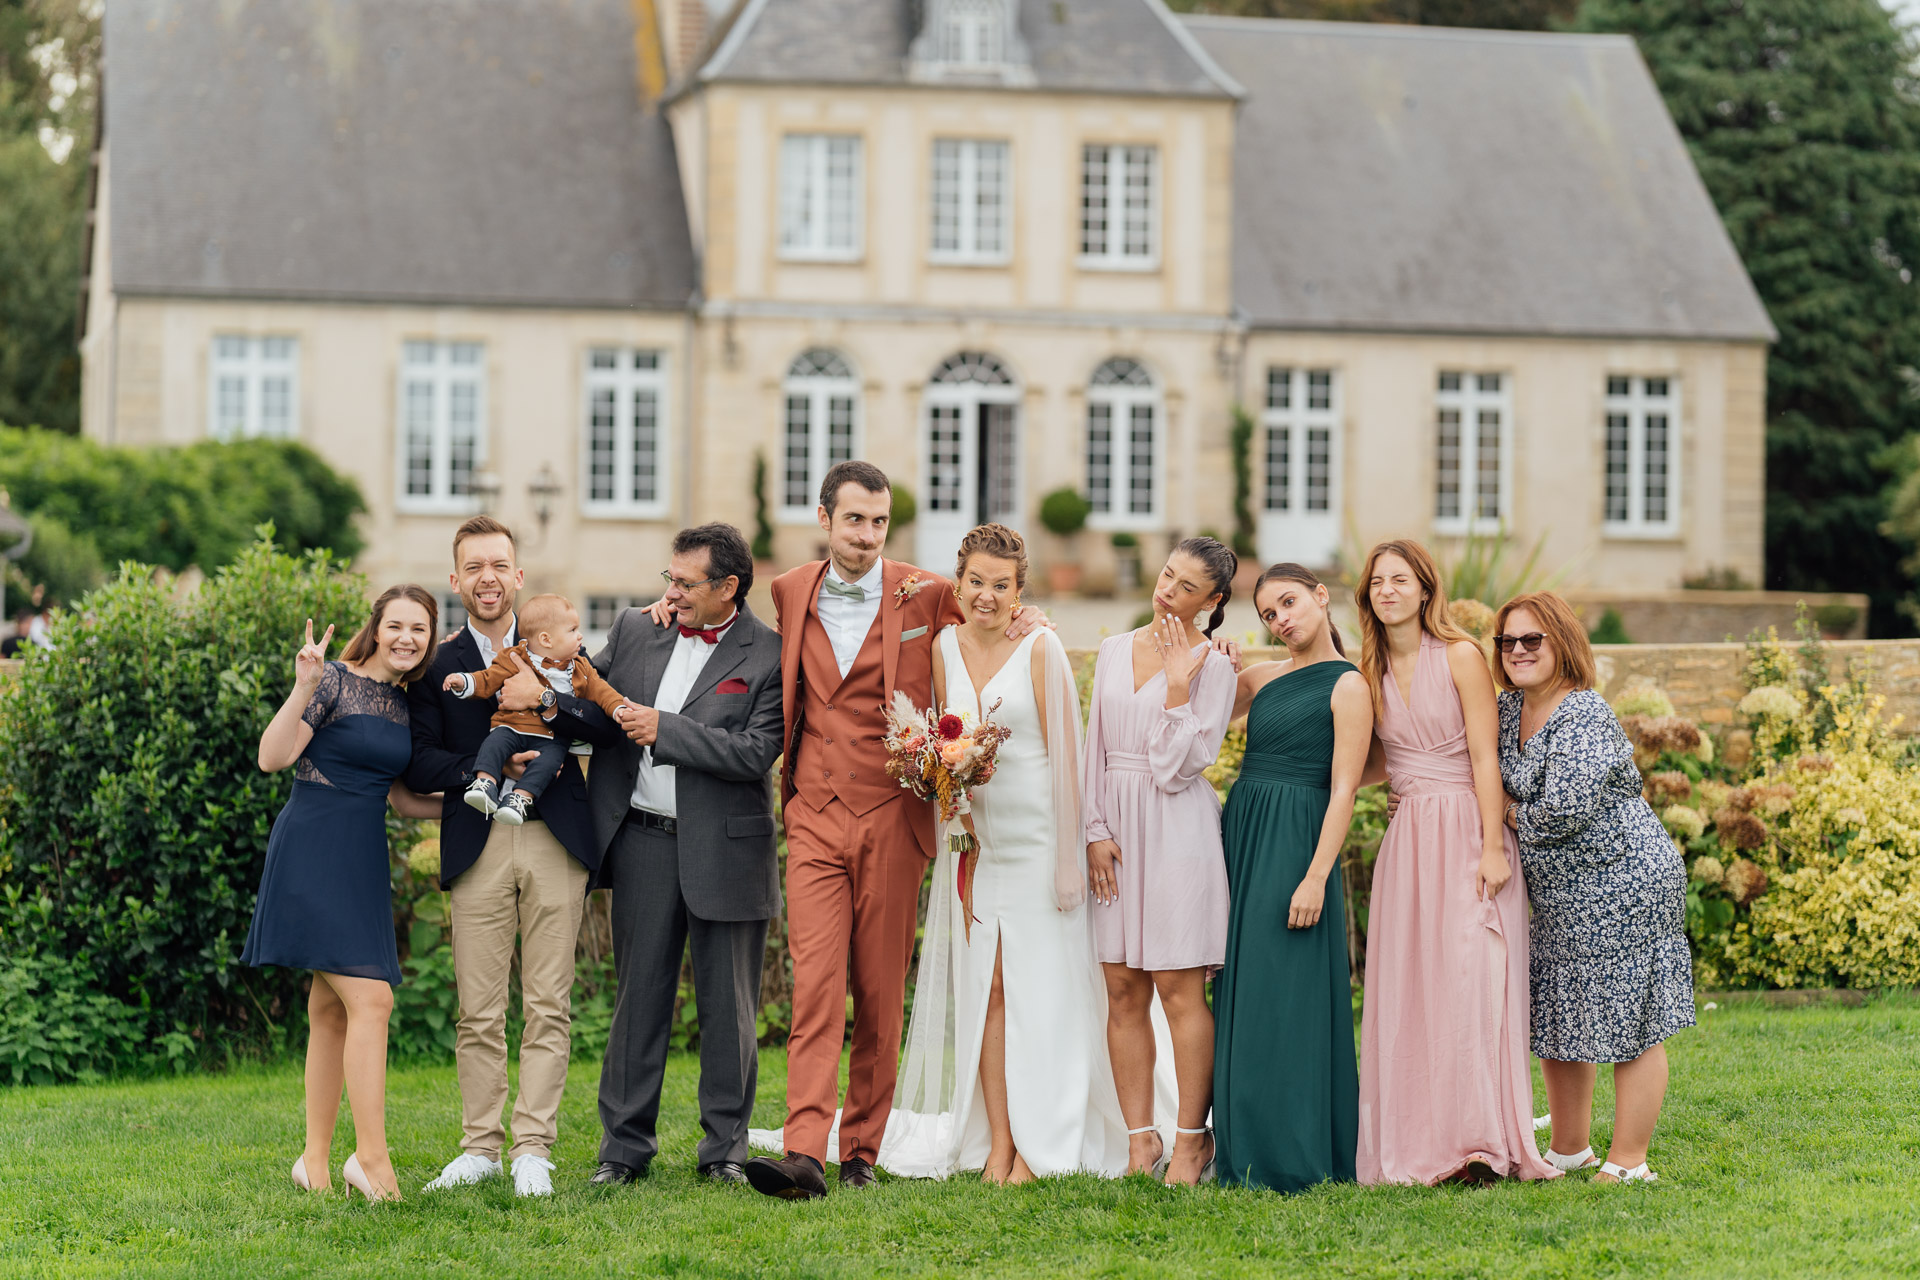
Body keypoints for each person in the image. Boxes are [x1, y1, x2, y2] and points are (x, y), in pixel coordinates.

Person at [734, 461, 1047, 1200]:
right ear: (824, 519)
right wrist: (663, 608)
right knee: (814, 986)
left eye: (878, 522)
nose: (868, 536)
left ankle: (861, 1150)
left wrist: (1029, 619)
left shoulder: (926, 592)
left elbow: (984, 621)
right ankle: (804, 1151)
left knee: (878, 989)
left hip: (894, 814)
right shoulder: (789, 590)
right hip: (812, 811)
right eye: (854, 521)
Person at [881, 524, 1128, 1181]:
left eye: (1001, 586)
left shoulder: (1041, 647)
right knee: (986, 991)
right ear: (956, 583)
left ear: (1020, 593)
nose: (986, 596)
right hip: (976, 847)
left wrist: (1069, 858)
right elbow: (938, 744)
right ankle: (999, 1143)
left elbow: (1066, 758)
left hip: (1040, 843)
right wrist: (945, 796)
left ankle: (1042, 1141)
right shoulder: (941, 647)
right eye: (975, 583)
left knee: (1039, 994)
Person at [406, 516, 618, 1199]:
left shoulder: (560, 644)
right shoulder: (437, 664)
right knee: (478, 1008)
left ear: (518, 575)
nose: (488, 577)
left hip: (556, 836)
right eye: (474, 567)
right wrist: (490, 765)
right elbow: (419, 759)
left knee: (550, 1003)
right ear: (456, 580)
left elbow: (607, 727)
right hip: (478, 837)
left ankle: (534, 1147)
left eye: (499, 564)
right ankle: (480, 1147)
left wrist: (547, 705)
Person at [580, 524, 785, 1187]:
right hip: (641, 840)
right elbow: (590, 698)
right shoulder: (641, 630)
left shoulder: (770, 655)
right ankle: (622, 1151)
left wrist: (667, 729)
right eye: (669, 578)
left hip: (728, 848)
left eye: (685, 582)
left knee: (730, 1009)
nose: (671, 591)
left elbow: (757, 751)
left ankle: (723, 1151)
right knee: (638, 1000)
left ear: (729, 587)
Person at [1352, 541, 1557, 1186]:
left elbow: (1484, 756)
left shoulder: (1463, 656)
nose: (1388, 590)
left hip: (1469, 831)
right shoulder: (1368, 671)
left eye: (1400, 579)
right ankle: (1425, 1142)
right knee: (1415, 986)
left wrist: (1495, 845)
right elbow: (1382, 758)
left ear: (1424, 589)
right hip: (1409, 838)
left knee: (1474, 981)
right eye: (1377, 581)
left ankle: (1481, 1143)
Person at [242, 586, 442, 1201]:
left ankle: (314, 1162)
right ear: (376, 628)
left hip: (360, 855)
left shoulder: (406, 703)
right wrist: (304, 683)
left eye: (421, 629)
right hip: (312, 846)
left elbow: (401, 796)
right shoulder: (333, 680)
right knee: (373, 1001)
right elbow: (272, 758)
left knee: (331, 1012)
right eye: (397, 626)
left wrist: (476, 802)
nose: (408, 638)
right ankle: (373, 1160)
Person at [1493, 590, 1693, 1184]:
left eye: (1534, 639)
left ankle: (1630, 1161)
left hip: (1624, 878)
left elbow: (1563, 809)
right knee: (1560, 1010)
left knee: (1631, 1019)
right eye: (1509, 641)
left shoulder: (1584, 713)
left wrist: (1503, 814)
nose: (1519, 650)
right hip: (1559, 892)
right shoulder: (1508, 710)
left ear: (1564, 644)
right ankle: (1569, 1148)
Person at [1082, 537, 1238, 1185]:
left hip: (1176, 831)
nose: (1166, 592)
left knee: (1178, 989)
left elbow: (1179, 768)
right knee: (1122, 987)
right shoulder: (1116, 649)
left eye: (1185, 587)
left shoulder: (1216, 668)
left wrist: (1178, 685)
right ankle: (1139, 1141)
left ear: (1213, 601)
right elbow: (1092, 744)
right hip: (1114, 831)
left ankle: (1190, 1141)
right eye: (1166, 576)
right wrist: (1093, 827)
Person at [1212, 563, 1371, 1192]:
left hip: (1299, 840)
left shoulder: (1350, 685)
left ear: (1320, 597)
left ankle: (1293, 1150)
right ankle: (1237, 1144)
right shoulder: (1260, 677)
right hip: (1242, 831)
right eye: (1269, 615)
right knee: (1237, 987)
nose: (1281, 620)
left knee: (1287, 991)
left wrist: (1315, 877)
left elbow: (1345, 790)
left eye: (1289, 604)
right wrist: (1214, 655)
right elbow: (1184, 714)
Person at [443, 592, 634, 825]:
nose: (580, 635)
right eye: (572, 630)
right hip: (511, 726)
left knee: (550, 763)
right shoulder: (514, 657)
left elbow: (602, 692)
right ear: (546, 639)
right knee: (494, 744)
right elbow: (487, 679)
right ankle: (485, 784)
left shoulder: (580, 666)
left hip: (552, 738)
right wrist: (463, 682)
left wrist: (618, 709)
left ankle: (519, 799)